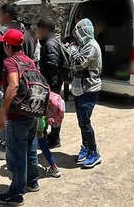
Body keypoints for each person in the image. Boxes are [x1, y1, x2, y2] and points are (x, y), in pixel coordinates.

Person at [0, 28, 40, 205]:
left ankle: (15, 194)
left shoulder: (9, 62)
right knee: (30, 150)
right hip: (31, 113)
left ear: (7, 45)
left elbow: (13, 85)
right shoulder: (30, 61)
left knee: (17, 155)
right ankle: (32, 182)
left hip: (17, 115)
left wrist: (2, 112)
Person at [0, 4, 35, 160]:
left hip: (6, 80)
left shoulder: (0, 32)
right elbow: (31, 55)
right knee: (22, 111)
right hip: (25, 80)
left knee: (5, 112)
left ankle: (3, 147)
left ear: (6, 14)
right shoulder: (26, 33)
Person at [67, 18, 103, 169]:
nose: (76, 37)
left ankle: (94, 152)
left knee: (85, 122)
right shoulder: (84, 45)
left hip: (90, 89)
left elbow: (79, 63)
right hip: (78, 88)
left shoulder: (92, 47)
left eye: (78, 33)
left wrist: (72, 50)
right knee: (81, 121)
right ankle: (86, 146)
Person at [36, 17, 63, 148]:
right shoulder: (49, 42)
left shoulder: (50, 44)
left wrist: (42, 76)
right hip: (52, 83)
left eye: (39, 29)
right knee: (51, 110)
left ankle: (53, 138)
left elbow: (52, 65)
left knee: (51, 110)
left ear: (45, 29)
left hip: (51, 84)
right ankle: (51, 137)